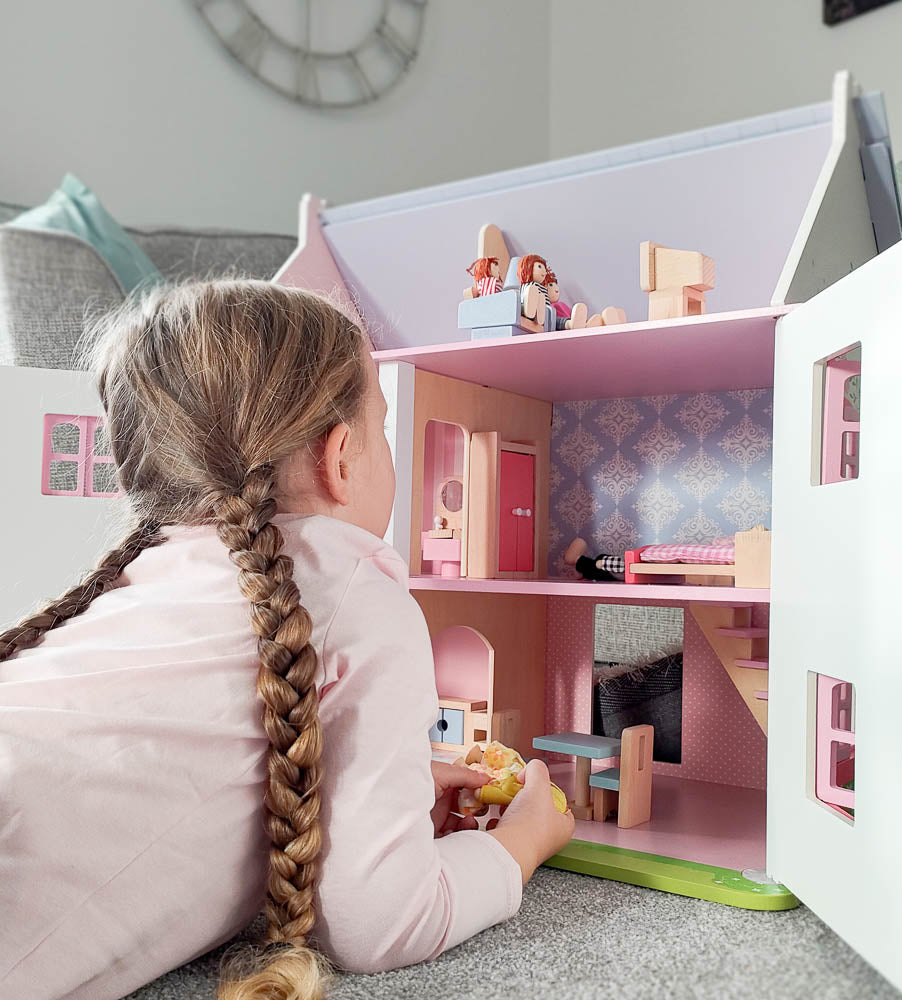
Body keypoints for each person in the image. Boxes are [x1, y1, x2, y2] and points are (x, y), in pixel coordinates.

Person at [0, 280, 574, 1000]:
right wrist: (519, 844)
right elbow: (381, 923)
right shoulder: (357, 589)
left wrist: (379, 798)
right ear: (340, 461)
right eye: (386, 431)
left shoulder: (139, 581)